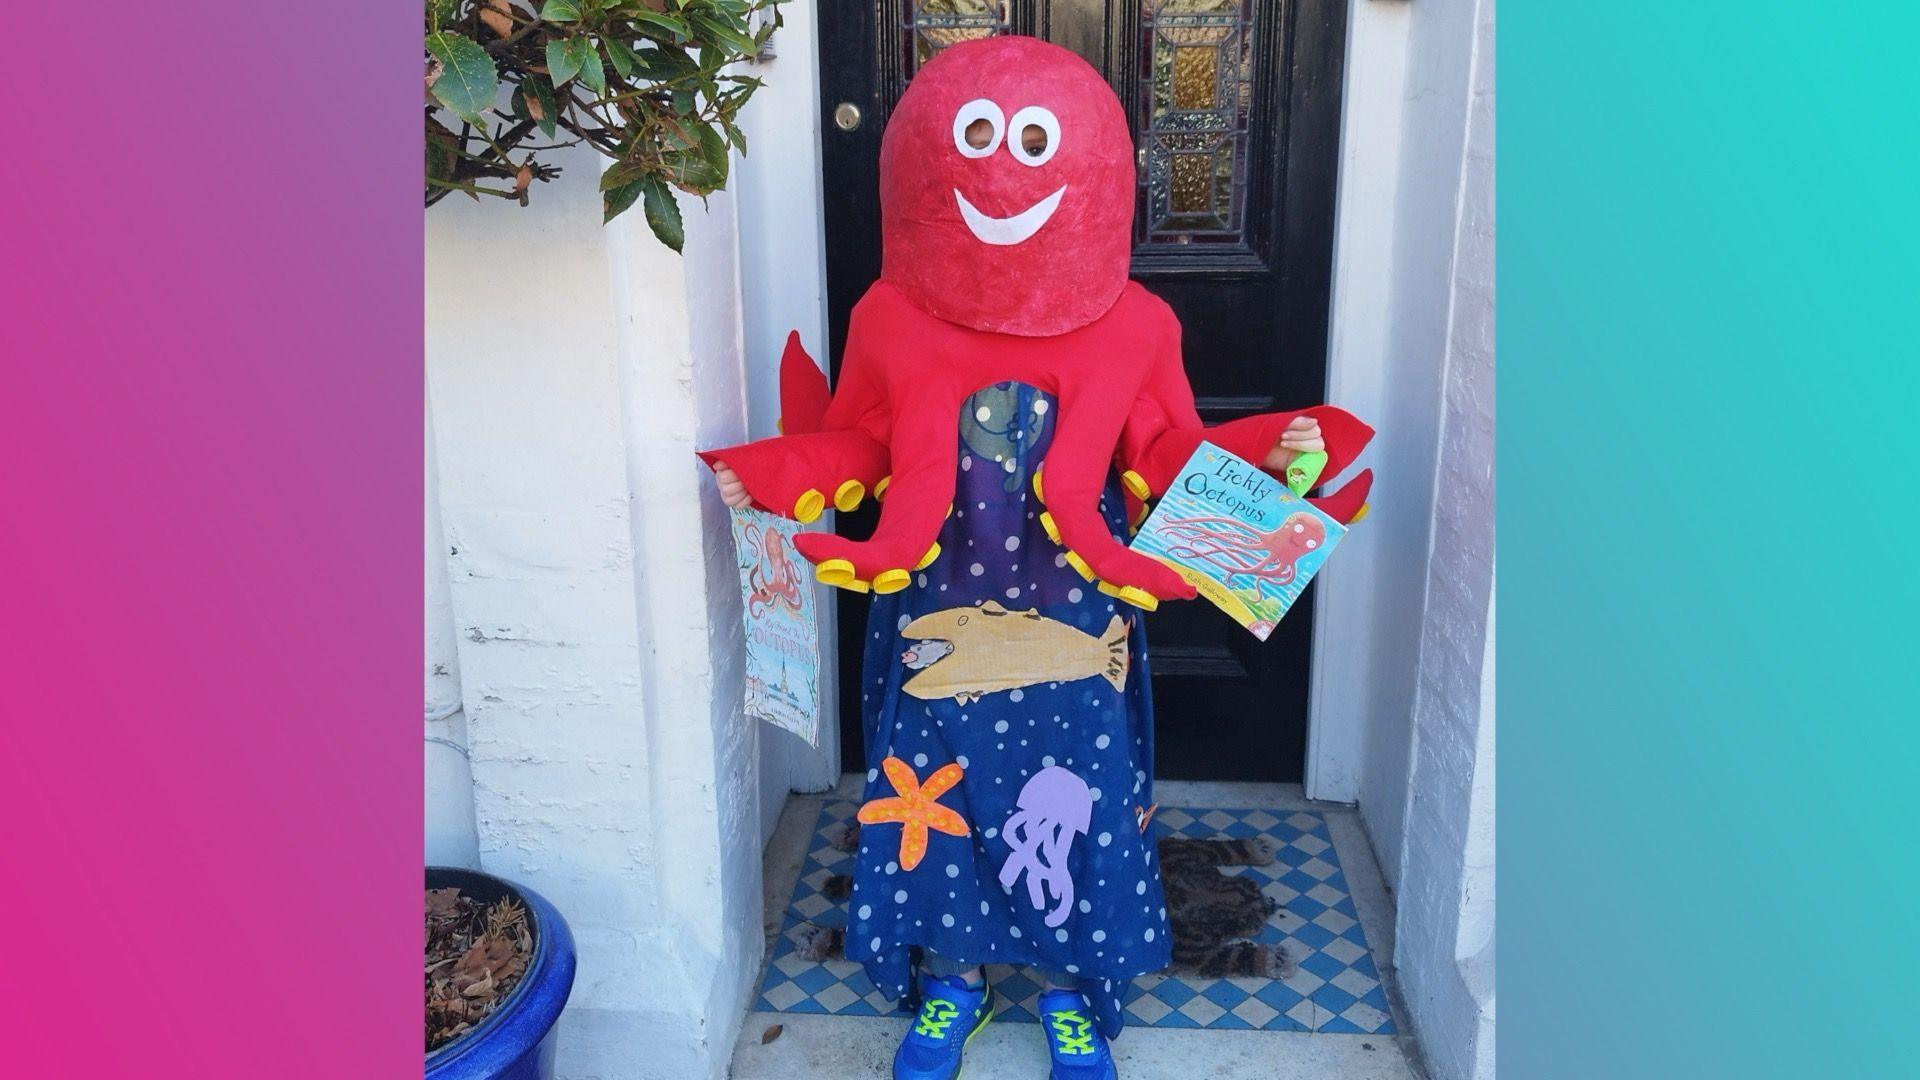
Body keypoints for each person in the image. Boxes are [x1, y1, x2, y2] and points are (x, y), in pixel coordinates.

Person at [704, 35, 1368, 1080]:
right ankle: (954, 978)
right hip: (938, 601)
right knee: (938, 779)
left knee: (1080, 785)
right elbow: (864, 444)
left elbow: (1167, 455)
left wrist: (1277, 465)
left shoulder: (1139, 324)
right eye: (978, 140)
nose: (1003, 171)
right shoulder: (888, 314)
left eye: (1031, 143)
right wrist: (779, 474)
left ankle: (1070, 983)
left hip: (1077, 611)